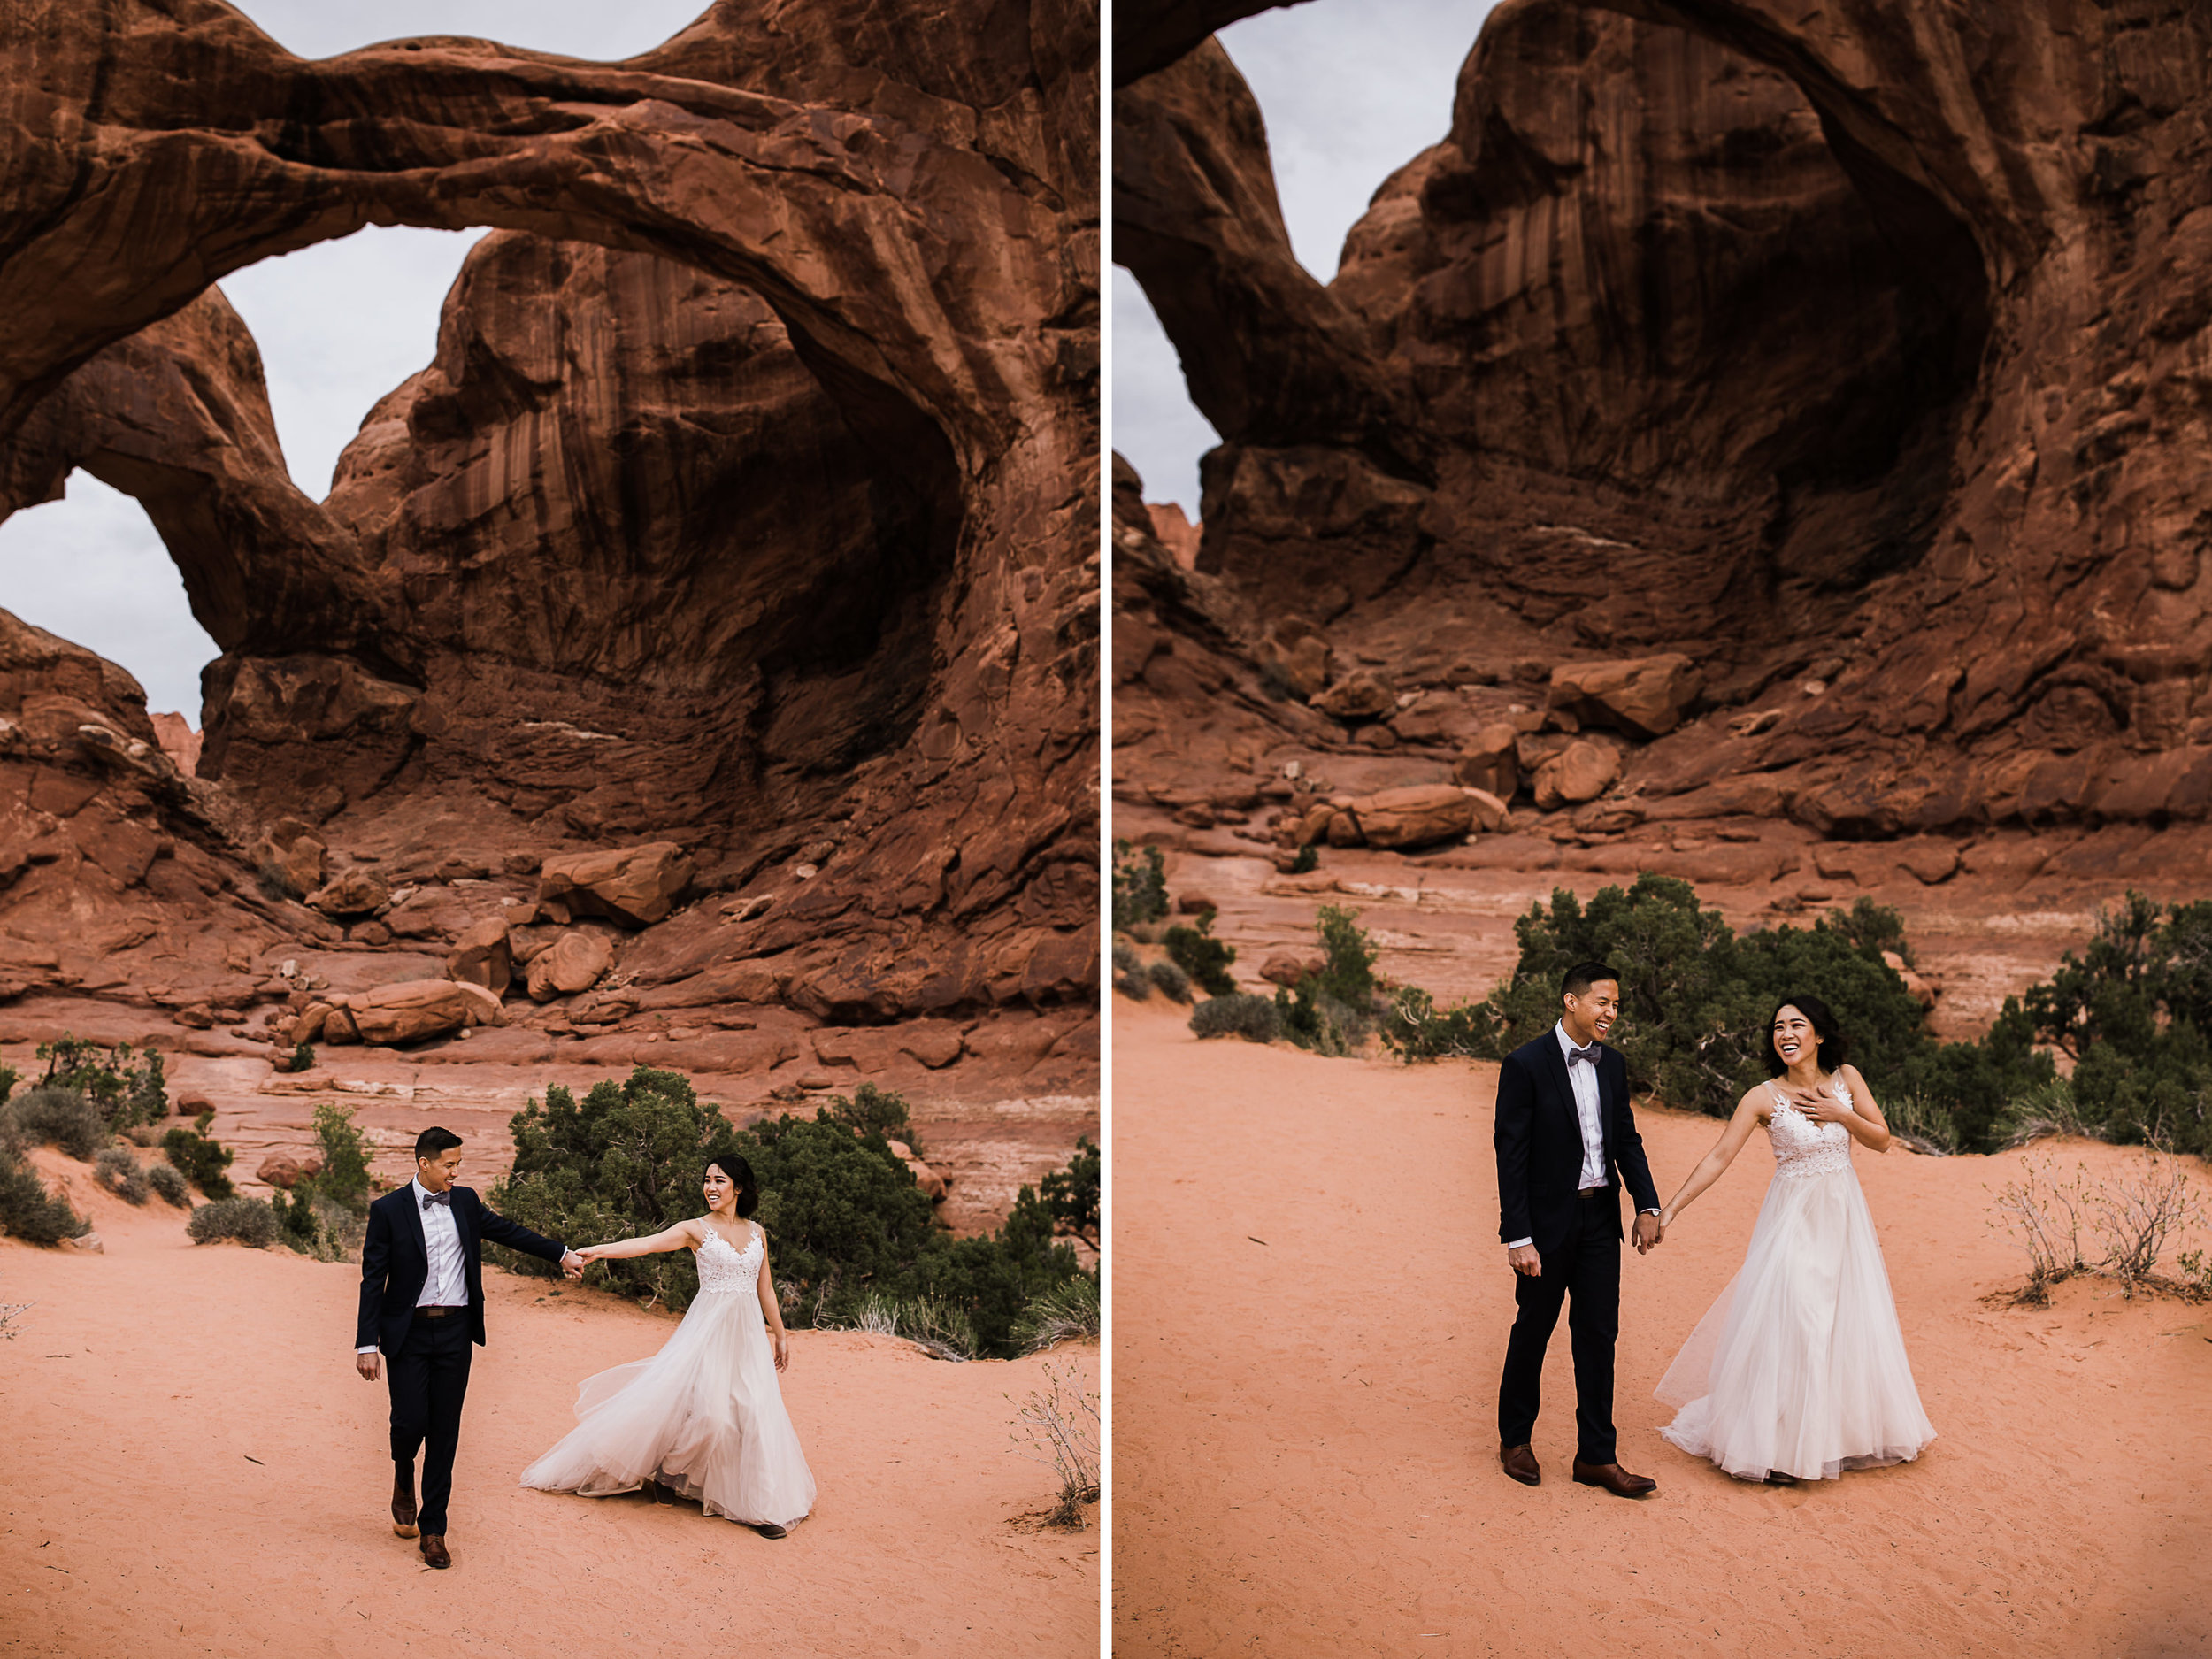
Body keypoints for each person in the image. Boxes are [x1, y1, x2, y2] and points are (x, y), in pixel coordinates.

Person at [1653, 995, 1937, 1483]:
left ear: (1818, 1035)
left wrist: (1840, 1113)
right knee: (1801, 1320)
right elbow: (1719, 1157)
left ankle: (1833, 1439)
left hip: (1844, 1220)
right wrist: (1671, 1208)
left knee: (1843, 1322)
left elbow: (1882, 1139)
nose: (1785, 1034)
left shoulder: (1846, 1078)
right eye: (1778, 1027)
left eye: (1796, 1025)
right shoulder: (1762, 1097)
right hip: (1792, 1222)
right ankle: (1782, 1447)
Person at [519, 1154, 816, 1537]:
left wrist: (780, 1333)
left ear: (739, 1188)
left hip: (747, 1335)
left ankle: (762, 1508)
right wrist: (600, 1250)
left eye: (720, 1181)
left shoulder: (757, 1232)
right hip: (707, 1331)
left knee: (754, 1414)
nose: (710, 1187)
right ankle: (668, 1470)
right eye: (707, 1180)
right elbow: (644, 1244)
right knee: (711, 1416)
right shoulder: (695, 1230)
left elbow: (765, 1287)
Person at [355, 1125, 585, 1569]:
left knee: (445, 1429)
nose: (455, 1172)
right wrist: (367, 1344)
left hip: (457, 1332)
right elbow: (372, 1279)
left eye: (459, 1164)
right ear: (424, 1163)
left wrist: (562, 1254)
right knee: (408, 1423)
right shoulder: (387, 1210)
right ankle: (404, 1472)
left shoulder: (464, 1200)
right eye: (449, 1164)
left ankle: (434, 1528)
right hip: (408, 1333)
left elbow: (508, 1232)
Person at [1494, 961, 1666, 1498]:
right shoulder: (1524, 1064)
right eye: (1602, 1003)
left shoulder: (1612, 1065)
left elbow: (1626, 1138)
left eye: (1616, 1005)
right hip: (1546, 1226)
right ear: (1571, 1002)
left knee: (1598, 1336)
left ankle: (1596, 1456)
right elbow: (1510, 1154)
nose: (1611, 1013)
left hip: (1599, 1221)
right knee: (1535, 1329)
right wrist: (1517, 1236)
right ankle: (1515, 1440)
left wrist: (1646, 1203)